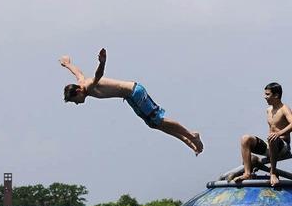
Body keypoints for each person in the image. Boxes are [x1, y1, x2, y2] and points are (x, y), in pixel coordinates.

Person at [60, 48, 204, 155]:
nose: (77, 103)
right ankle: (189, 141)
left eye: (75, 101)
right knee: (154, 124)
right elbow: (77, 71)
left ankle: (192, 136)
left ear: (78, 92)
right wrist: (67, 64)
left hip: (135, 92)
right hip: (131, 97)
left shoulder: (89, 86)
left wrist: (102, 62)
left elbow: (99, 75)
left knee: (158, 120)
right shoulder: (81, 82)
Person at [232, 83, 292, 187]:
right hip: (270, 145)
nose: (265, 97)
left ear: (276, 95)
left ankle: (272, 173)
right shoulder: (268, 110)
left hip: (283, 146)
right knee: (245, 138)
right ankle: (247, 173)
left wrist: (279, 133)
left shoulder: (284, 108)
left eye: (267, 94)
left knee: (273, 138)